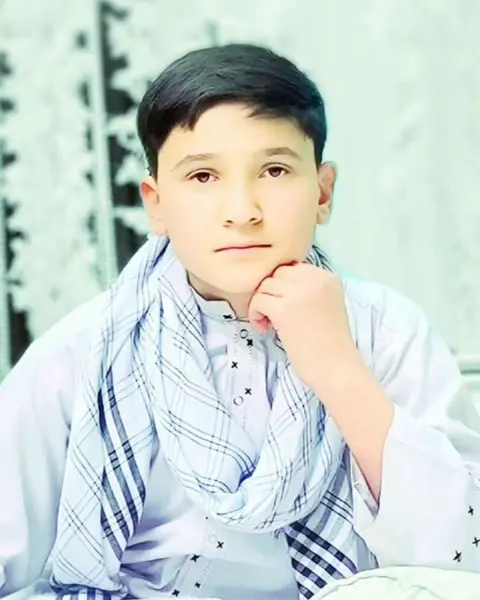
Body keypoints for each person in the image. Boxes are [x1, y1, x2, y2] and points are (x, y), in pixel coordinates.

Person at [1, 43, 480, 600]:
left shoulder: (387, 331)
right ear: (156, 203)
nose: (243, 211)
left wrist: (336, 367)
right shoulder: (85, 351)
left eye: (274, 170)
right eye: (203, 176)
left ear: (323, 192)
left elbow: (459, 553)